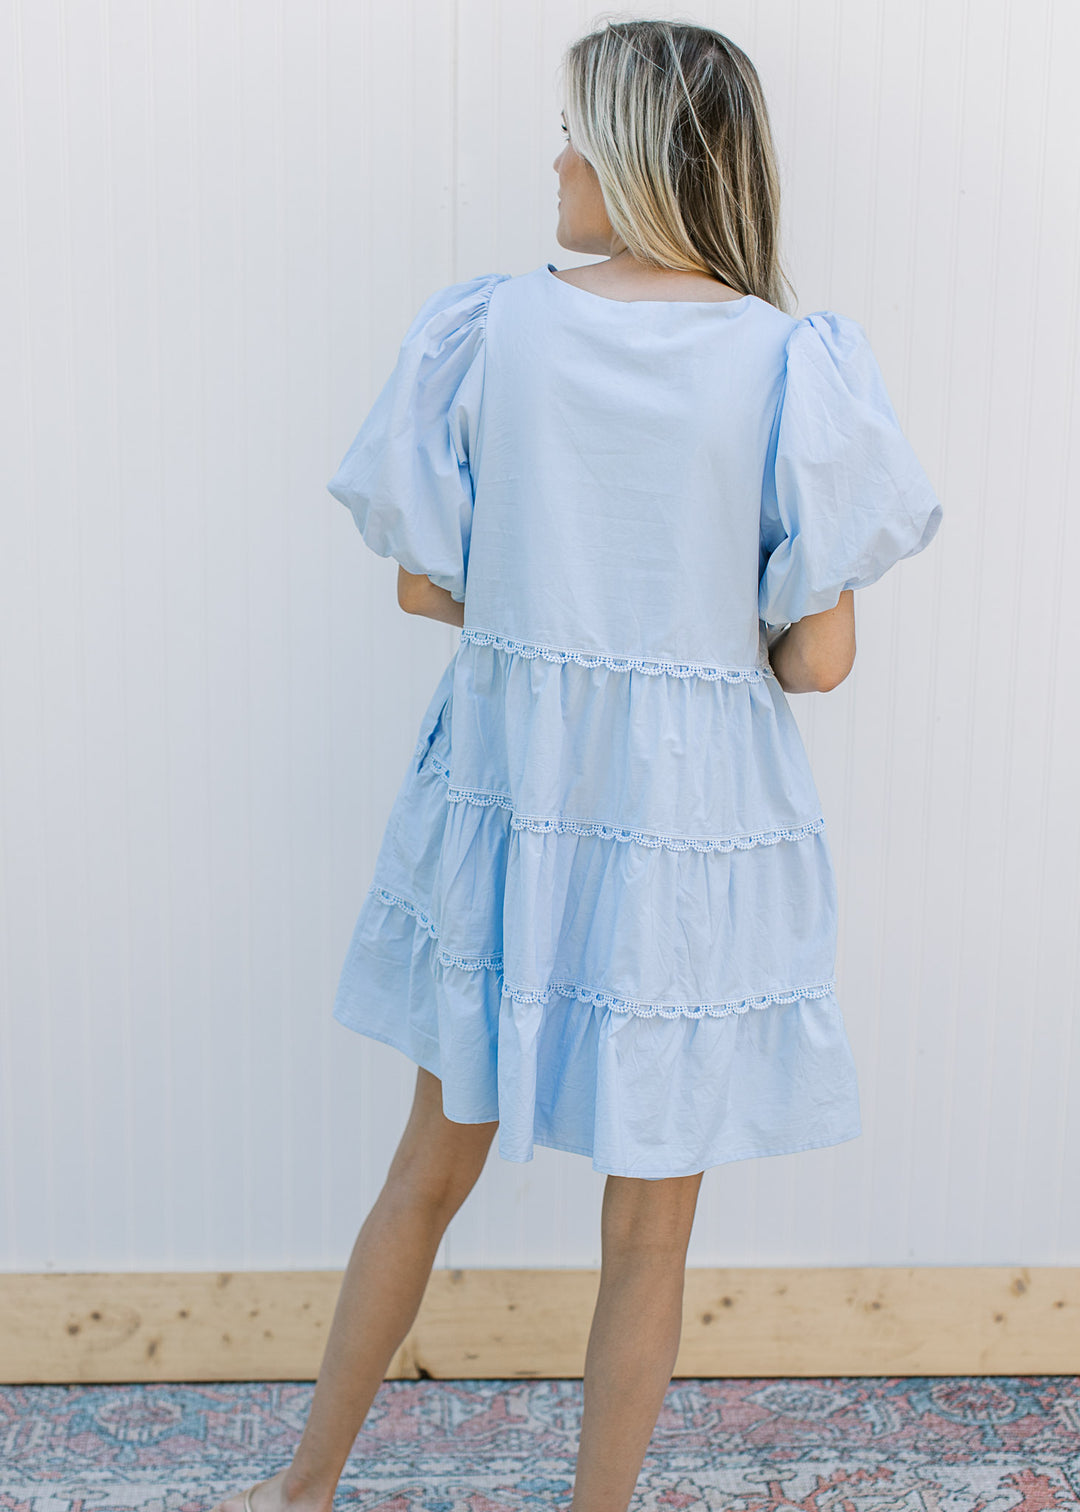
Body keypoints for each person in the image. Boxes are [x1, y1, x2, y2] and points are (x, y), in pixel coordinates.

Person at [212, 17, 942, 1512]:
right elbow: (819, 659)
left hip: (514, 804)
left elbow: (425, 582)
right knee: (651, 1234)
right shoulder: (791, 364)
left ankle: (299, 1494)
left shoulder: (491, 328)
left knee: (426, 1169)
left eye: (571, 128)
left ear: (635, 154)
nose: (552, 155)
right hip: (683, 833)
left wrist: (556, 612)